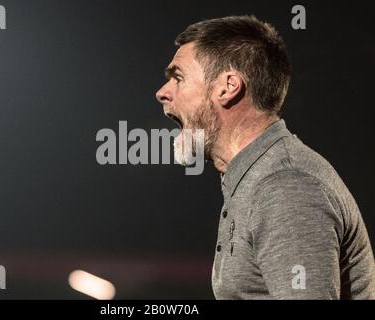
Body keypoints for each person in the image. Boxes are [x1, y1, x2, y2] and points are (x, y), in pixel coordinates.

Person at [155, 15, 375, 299]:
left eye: (178, 78)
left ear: (228, 87)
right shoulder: (258, 177)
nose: (162, 92)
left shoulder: (285, 188)